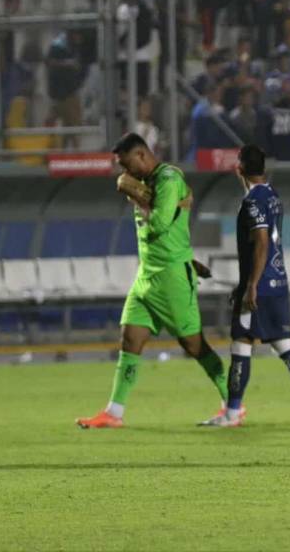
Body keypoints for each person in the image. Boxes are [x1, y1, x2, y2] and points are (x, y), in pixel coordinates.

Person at [76, 133, 228, 428]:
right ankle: (114, 412)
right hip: (147, 276)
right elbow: (172, 233)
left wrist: (133, 193)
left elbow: (159, 223)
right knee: (130, 338)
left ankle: (232, 403)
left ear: (142, 155)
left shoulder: (169, 180)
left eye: (127, 164)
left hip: (171, 279)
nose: (125, 172)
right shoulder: (146, 182)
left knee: (194, 345)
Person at [200, 146, 290, 428]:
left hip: (259, 287)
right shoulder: (273, 195)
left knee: (241, 344)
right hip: (278, 282)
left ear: (239, 168)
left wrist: (250, 285)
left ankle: (233, 413)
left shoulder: (251, 201)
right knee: (283, 344)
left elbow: (261, 241)